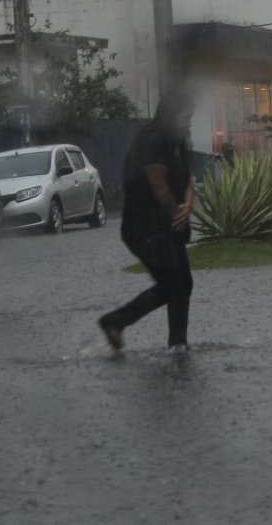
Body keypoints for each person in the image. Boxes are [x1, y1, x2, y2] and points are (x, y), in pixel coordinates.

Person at [99, 89, 196, 355]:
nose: (190, 121)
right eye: (186, 116)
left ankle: (178, 344)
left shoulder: (178, 140)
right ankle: (114, 321)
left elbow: (188, 180)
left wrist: (187, 206)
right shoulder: (151, 141)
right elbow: (159, 188)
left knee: (183, 283)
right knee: (171, 284)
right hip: (143, 228)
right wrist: (177, 213)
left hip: (169, 224)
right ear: (172, 115)